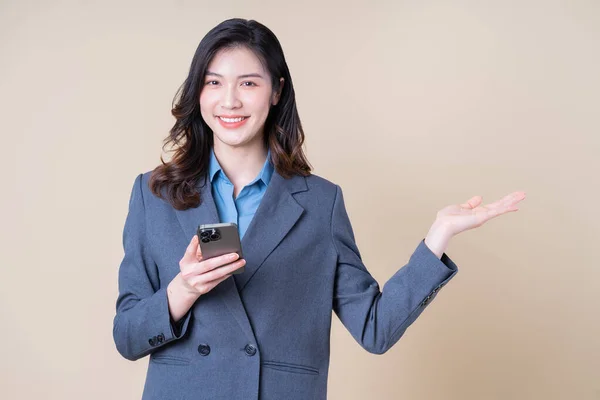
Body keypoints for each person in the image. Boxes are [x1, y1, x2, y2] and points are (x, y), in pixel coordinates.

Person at [113, 18, 526, 400]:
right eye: (213, 82)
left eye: (249, 84)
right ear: (197, 92)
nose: (230, 101)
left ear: (276, 91)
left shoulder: (321, 203)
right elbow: (127, 336)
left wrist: (438, 237)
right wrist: (180, 292)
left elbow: (375, 328)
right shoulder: (154, 195)